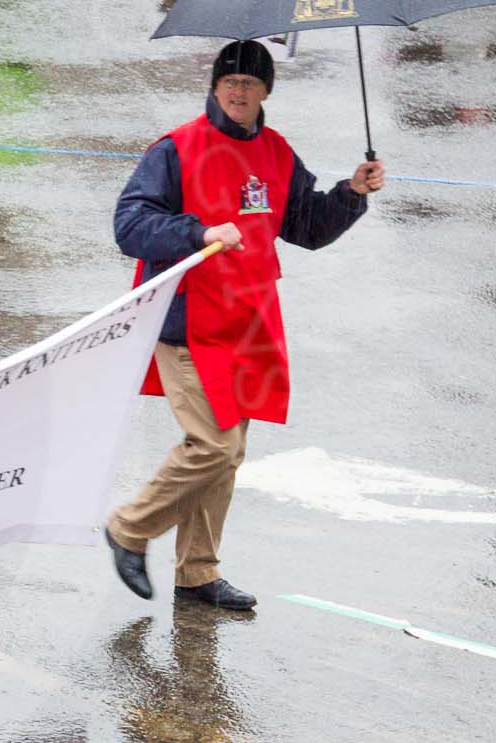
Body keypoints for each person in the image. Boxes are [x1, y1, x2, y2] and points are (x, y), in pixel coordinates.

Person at [104, 41, 385, 610]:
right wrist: (198, 231)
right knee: (213, 445)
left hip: (248, 323)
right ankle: (129, 529)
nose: (238, 91)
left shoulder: (277, 153)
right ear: (214, 87)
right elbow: (130, 225)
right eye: (229, 80)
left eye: (250, 83)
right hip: (186, 323)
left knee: (228, 454)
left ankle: (197, 572)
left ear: (265, 92)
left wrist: (351, 194)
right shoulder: (176, 149)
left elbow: (305, 226)